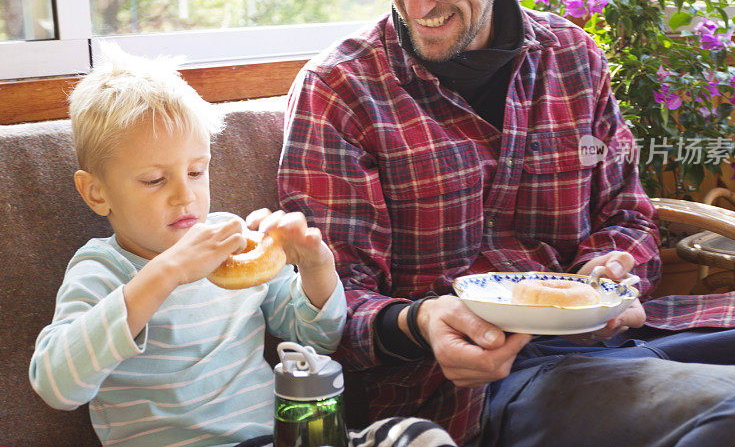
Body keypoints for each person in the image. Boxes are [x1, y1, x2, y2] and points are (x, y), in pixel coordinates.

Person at [277, 0, 735, 446]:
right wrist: (422, 319)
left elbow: (628, 217)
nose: (418, 6)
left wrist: (610, 274)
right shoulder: (340, 91)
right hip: (486, 384)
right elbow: (330, 307)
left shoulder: (574, 58)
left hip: (630, 336)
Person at [29, 49, 457, 447]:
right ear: (96, 193)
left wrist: (316, 265)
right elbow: (57, 385)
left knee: (416, 436)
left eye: (196, 172)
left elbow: (318, 338)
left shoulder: (232, 242)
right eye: (154, 180)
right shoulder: (100, 269)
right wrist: (165, 273)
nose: (185, 196)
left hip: (274, 437)